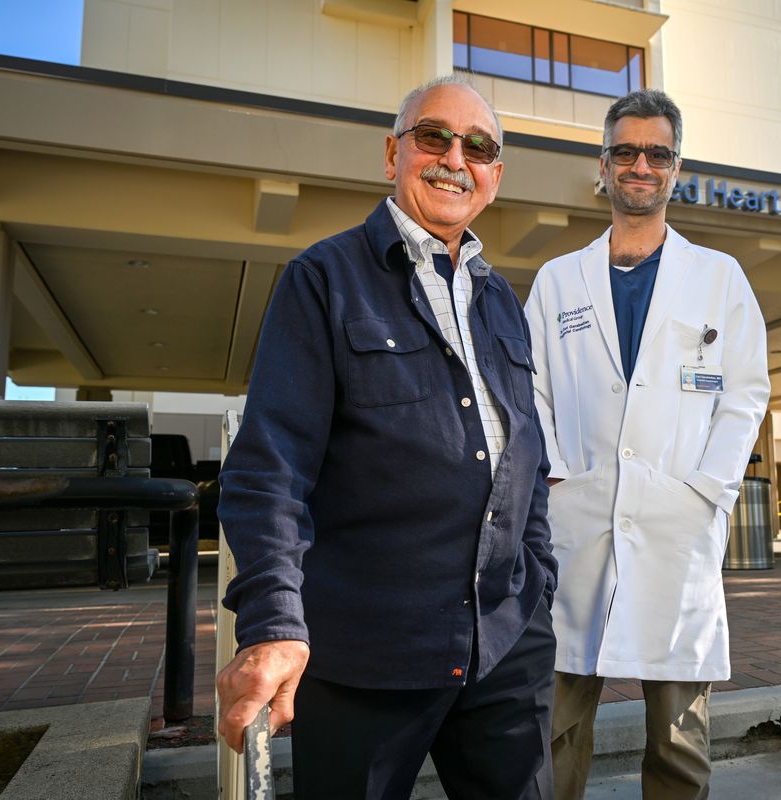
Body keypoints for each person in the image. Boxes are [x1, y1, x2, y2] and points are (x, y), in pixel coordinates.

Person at [216, 75, 557, 800]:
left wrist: (538, 582)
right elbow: (270, 470)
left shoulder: (502, 301)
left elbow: (528, 454)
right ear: (392, 154)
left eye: (479, 147)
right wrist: (274, 621)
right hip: (365, 654)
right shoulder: (323, 278)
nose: (454, 159)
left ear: (495, 175)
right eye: (434, 136)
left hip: (504, 648)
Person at [524, 89, 770, 799]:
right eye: (625, 152)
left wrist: (707, 490)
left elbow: (746, 391)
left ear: (676, 168)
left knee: (679, 739)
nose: (640, 165)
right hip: (578, 523)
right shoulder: (557, 280)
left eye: (656, 153)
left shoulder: (718, 277)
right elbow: (531, 391)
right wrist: (557, 480)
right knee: (554, 723)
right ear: (602, 166)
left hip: (677, 526)